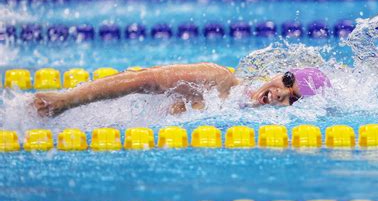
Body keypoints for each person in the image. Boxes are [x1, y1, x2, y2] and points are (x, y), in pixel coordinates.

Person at [33, 63, 330, 117]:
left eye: (293, 99)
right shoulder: (218, 81)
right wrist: (67, 101)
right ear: (280, 73)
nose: (281, 93)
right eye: (288, 81)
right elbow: (142, 80)